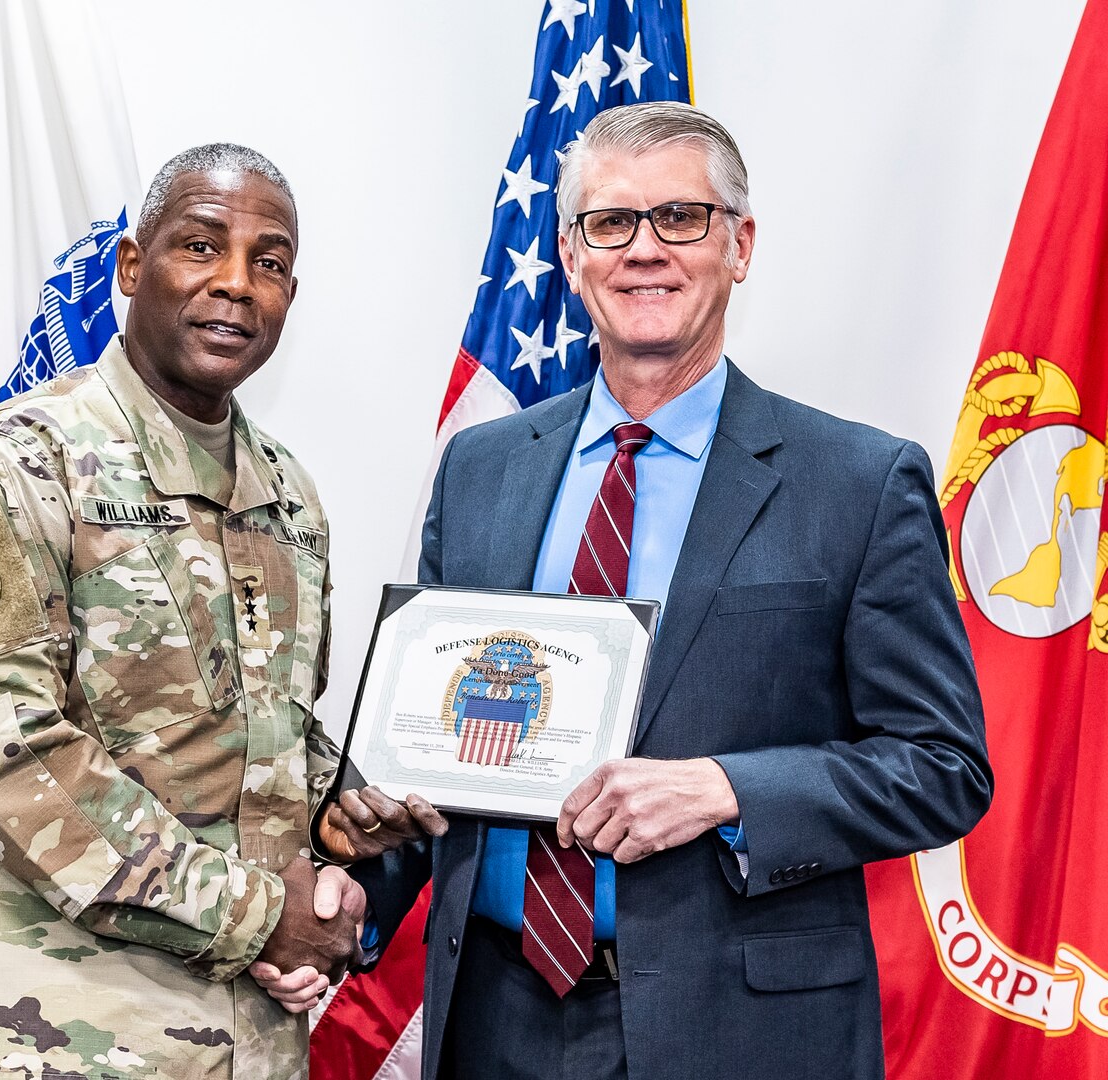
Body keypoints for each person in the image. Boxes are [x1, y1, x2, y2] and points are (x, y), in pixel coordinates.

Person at [318, 102, 993, 1079]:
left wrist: (725, 789)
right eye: (611, 223)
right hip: (493, 1018)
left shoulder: (856, 481)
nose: (645, 250)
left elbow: (942, 765)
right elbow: (441, 750)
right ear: (569, 252)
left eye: (680, 218)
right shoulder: (482, 468)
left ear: (740, 243)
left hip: (741, 1032)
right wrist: (350, 905)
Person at [0, 143, 364, 1080]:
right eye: (201, 246)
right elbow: (10, 757)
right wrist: (264, 918)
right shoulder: (3, 467)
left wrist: (350, 804)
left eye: (267, 262)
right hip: (39, 1040)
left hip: (249, 1043)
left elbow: (267, 733)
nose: (235, 284)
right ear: (133, 269)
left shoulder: (289, 495)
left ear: (288, 299)